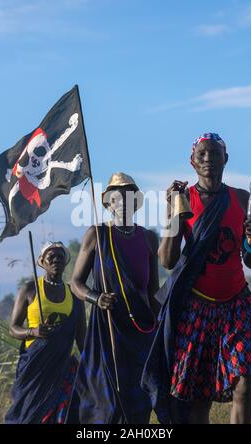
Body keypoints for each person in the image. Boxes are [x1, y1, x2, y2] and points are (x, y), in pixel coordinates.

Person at [142, 133, 251, 424]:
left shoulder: (242, 199)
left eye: (215, 153)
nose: (208, 159)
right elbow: (168, 260)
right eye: (202, 154)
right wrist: (172, 212)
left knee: (244, 386)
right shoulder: (185, 201)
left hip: (236, 306)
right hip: (197, 309)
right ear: (192, 162)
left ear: (226, 159)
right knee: (199, 399)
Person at [71, 172, 160, 424]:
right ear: (109, 204)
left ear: (136, 203)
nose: (122, 202)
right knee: (106, 402)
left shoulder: (148, 238)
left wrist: (165, 326)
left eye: (128, 197)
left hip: (140, 330)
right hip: (107, 327)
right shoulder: (97, 235)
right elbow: (75, 283)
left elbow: (152, 292)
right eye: (116, 198)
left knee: (138, 404)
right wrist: (96, 297)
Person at [5, 241, 86, 424]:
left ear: (66, 262)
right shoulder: (30, 289)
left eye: (61, 257)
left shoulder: (73, 295)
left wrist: (91, 366)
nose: (56, 260)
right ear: (42, 262)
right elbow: (13, 328)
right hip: (35, 366)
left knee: (65, 415)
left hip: (64, 366)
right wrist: (33, 331)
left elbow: (81, 337)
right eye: (51, 257)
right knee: (30, 414)